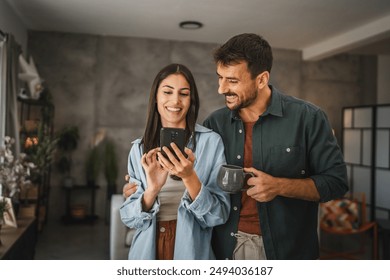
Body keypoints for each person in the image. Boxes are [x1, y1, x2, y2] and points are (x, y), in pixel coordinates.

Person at [202, 33, 348, 260]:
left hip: (288, 252)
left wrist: (279, 186)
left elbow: (336, 183)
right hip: (224, 249)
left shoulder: (308, 118)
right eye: (220, 77)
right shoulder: (214, 123)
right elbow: (200, 184)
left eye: (232, 80)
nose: (221, 89)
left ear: (261, 79)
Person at [119, 63, 230, 260]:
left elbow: (218, 215)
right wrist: (152, 189)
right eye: (167, 92)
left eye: (184, 93)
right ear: (156, 97)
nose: (175, 100)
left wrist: (189, 177)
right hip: (146, 253)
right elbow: (129, 219)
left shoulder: (211, 143)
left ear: (191, 100)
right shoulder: (138, 149)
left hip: (192, 250)